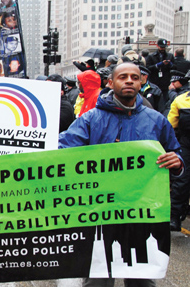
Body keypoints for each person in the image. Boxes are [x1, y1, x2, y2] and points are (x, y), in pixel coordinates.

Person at [59, 63, 183, 287]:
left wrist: (178, 162)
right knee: (98, 280)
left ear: (140, 82)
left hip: (142, 213)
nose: (129, 81)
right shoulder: (90, 120)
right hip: (100, 213)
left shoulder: (157, 121)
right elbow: (61, 151)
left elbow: (175, 152)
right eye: (123, 77)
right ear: (110, 82)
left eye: (134, 77)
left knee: (142, 281)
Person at [167, 85, 190, 231]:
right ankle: (174, 216)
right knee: (182, 181)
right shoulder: (181, 100)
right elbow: (169, 126)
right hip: (186, 145)